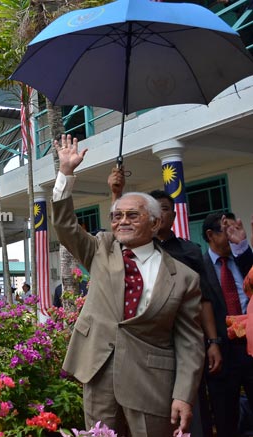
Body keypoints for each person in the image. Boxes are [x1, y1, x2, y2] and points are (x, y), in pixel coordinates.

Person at [52, 134, 203, 436]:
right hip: (98, 371)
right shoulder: (101, 248)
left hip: (151, 380)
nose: (122, 221)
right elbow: (65, 226)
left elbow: (189, 343)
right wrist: (66, 173)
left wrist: (184, 395)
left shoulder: (185, 278)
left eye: (132, 215)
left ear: (155, 223)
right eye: (117, 216)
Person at [109, 170, 223, 437]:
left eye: (165, 210)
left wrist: (213, 342)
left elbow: (202, 304)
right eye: (122, 215)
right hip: (125, 360)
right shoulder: (120, 252)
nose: (126, 221)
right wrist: (115, 193)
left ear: (162, 218)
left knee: (179, 416)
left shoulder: (187, 256)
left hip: (169, 355)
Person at [201, 212, 253, 437]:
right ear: (211, 235)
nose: (232, 235)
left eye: (235, 229)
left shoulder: (244, 258)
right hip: (221, 352)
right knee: (226, 419)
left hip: (250, 347)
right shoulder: (200, 266)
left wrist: (242, 245)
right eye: (227, 230)